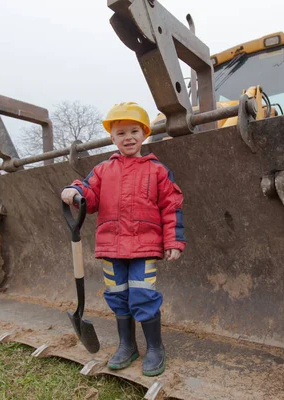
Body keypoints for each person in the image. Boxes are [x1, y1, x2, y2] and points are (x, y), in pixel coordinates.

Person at [61, 102, 186, 377]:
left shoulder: (157, 171)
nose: (128, 138)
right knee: (118, 296)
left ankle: (155, 347)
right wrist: (74, 190)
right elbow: (89, 195)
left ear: (144, 134)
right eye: (121, 133)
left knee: (142, 295)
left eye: (134, 131)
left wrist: (174, 242)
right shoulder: (103, 170)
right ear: (112, 138)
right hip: (111, 247)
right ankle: (127, 345)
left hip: (143, 248)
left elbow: (171, 207)